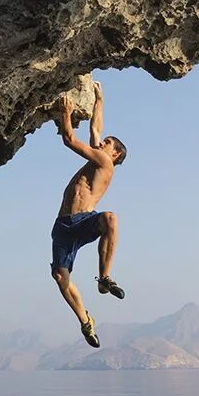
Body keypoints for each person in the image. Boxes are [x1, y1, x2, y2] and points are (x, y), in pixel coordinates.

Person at [51, 82, 127, 348]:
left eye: (107, 144)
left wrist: (66, 112)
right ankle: (86, 321)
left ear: (114, 153)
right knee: (60, 278)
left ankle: (104, 277)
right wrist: (99, 99)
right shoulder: (98, 158)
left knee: (110, 219)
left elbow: (69, 139)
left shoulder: (105, 163)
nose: (101, 142)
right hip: (63, 225)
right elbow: (96, 129)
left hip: (83, 221)